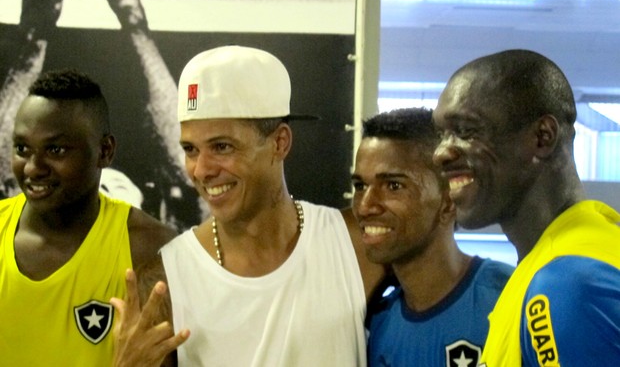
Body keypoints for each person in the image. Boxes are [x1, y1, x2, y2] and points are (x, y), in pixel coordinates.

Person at [110, 45, 385, 367]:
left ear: (279, 142)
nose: (201, 170)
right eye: (191, 149)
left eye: (222, 147)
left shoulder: (357, 244)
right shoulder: (164, 281)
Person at [432, 49, 620, 366]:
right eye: (441, 134)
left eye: (465, 131)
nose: (440, 153)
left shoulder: (567, 285)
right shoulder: (561, 259)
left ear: (541, 138)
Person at [0, 69, 177, 366]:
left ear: (104, 151)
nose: (32, 168)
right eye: (22, 149)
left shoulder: (149, 249)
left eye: (55, 149)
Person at [0, 0, 203, 230]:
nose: (97, 197)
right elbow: (191, 181)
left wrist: (35, 30)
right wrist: (132, 18)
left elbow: (6, 179)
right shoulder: (157, 246)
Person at [351, 107, 513, 366]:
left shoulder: (510, 298)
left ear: (448, 201)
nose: (364, 206)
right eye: (360, 186)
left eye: (393, 185)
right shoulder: (378, 324)